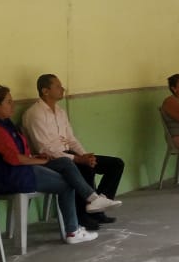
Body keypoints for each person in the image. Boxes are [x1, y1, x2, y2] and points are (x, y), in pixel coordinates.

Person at [0, 85, 121, 245]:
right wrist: (42, 161)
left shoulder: (6, 123)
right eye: (8, 102)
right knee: (66, 184)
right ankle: (73, 230)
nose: (13, 105)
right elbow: (14, 158)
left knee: (65, 162)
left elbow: (23, 153)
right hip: (11, 177)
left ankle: (92, 199)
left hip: (22, 170)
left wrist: (38, 158)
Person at [22, 74, 124, 231]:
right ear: (45, 91)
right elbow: (44, 148)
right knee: (83, 167)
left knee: (116, 164)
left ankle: (98, 207)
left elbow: (71, 139)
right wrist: (78, 159)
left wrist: (85, 155)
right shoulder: (35, 114)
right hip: (51, 159)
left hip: (69, 154)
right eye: (57, 86)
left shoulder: (60, 112)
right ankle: (82, 216)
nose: (62, 89)